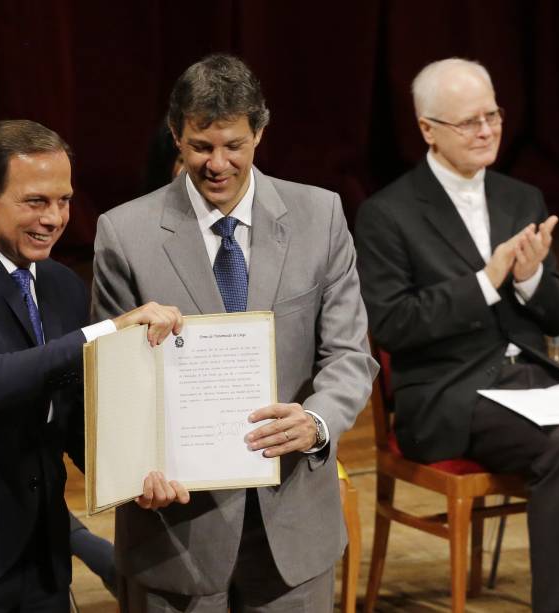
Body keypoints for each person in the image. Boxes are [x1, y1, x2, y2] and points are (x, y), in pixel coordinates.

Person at [92, 54, 376, 612]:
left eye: (234, 145)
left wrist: (315, 421)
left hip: (294, 524)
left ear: (260, 134)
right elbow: (116, 386)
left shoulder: (321, 216)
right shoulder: (123, 234)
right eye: (201, 146)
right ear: (176, 135)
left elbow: (348, 355)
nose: (217, 163)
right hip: (177, 532)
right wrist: (135, 469)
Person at [0, 119, 187, 612]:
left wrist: (138, 476)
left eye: (64, 200)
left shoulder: (61, 286)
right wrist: (110, 329)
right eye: (36, 202)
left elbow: (69, 416)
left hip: (42, 551)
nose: (55, 218)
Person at [354, 57, 559, 612]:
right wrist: (486, 282)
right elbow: (394, 323)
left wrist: (531, 277)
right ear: (428, 130)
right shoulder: (386, 215)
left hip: (533, 381)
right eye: (469, 122)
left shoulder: (521, 198)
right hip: (450, 395)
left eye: (492, 115)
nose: (487, 130)